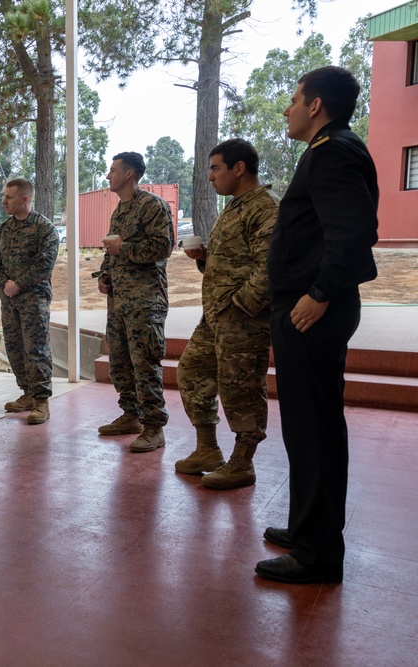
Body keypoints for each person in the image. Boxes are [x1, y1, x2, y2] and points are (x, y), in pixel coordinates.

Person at [256, 66, 378, 585]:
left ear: (315, 105)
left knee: (315, 431)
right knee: (308, 428)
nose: (286, 109)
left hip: (312, 311)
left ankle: (318, 553)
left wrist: (319, 295)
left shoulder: (333, 152)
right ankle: (309, 527)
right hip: (307, 307)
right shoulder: (328, 149)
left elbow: (352, 234)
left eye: (292, 99)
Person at [174, 139, 279, 489]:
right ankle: (207, 449)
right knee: (191, 370)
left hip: (243, 320)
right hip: (216, 318)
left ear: (239, 168)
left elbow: (271, 267)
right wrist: (203, 257)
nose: (210, 177)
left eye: (216, 168)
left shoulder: (264, 208)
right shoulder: (235, 207)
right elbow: (233, 263)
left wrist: (241, 306)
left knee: (242, 389)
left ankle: (242, 463)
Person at [95, 152, 174, 451]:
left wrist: (122, 248)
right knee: (120, 362)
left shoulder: (153, 205)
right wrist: (105, 275)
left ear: (129, 174)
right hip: (119, 301)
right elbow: (109, 248)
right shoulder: (120, 210)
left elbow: (162, 246)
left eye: (113, 170)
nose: (108, 175)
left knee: (145, 364)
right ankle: (131, 416)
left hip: (145, 301)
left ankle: (154, 427)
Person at [0, 178, 60, 425]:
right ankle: (27, 393)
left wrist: (18, 284)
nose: (4, 201)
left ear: (25, 199)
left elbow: (44, 265)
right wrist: (3, 283)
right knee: (14, 348)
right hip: (9, 300)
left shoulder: (45, 229)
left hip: (33, 300)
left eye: (9, 197)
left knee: (36, 349)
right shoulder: (3, 230)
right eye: (4, 196)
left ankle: (41, 401)